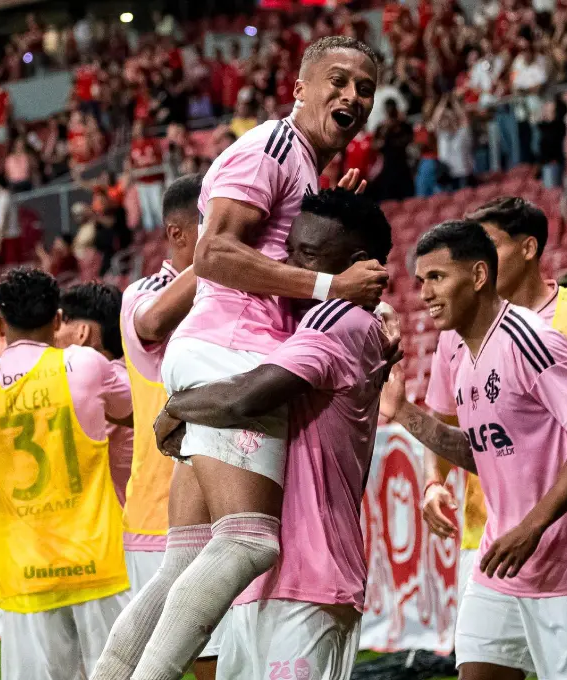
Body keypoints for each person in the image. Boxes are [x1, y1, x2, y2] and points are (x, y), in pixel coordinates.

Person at [93, 37, 385, 680]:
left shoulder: (302, 165)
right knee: (250, 542)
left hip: (213, 347)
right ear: (299, 88)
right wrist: (330, 286)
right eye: (337, 81)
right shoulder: (272, 148)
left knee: (185, 558)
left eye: (364, 89)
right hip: (233, 349)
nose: (352, 96)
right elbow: (216, 254)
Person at [153, 188, 394, 680]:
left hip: (309, 576)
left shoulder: (338, 318)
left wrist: (176, 408)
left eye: (307, 253)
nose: (291, 263)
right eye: (290, 247)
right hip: (269, 579)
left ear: (356, 265)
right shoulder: (312, 320)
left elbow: (249, 397)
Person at [383, 220, 567, 680]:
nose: (425, 293)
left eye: (436, 277)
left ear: (479, 276)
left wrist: (532, 528)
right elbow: (482, 453)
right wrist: (403, 412)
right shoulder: (461, 353)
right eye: (421, 282)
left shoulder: (530, 339)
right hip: (502, 559)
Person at [422, 198, 567, 617]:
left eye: (489, 244)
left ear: (528, 249)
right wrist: (432, 483)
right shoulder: (454, 333)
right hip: (485, 536)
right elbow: (441, 421)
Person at [0, 267, 134, 680]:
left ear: (1, 324)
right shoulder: (85, 365)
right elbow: (131, 410)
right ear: (59, 319)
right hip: (92, 559)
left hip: (24, 569)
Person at [93, 175, 221, 678]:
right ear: (179, 233)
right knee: (180, 661)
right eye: (216, 224)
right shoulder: (143, 294)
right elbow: (150, 324)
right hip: (160, 516)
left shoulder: (232, 289)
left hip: (229, 505)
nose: (232, 233)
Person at [55, 282, 132, 506]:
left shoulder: (101, 387)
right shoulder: (128, 375)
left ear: (82, 333)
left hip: (126, 533)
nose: (52, 339)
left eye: (58, 326)